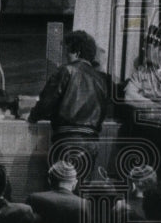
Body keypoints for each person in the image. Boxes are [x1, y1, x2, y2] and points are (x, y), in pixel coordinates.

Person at [28, 29, 109, 180]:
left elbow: (46, 103)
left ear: (76, 52)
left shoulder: (66, 71)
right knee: (81, 192)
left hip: (67, 140)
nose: (66, 55)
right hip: (92, 141)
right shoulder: (101, 79)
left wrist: (32, 116)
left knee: (61, 188)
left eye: (68, 51)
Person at [122, 24, 161, 182]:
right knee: (141, 181)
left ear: (160, 48)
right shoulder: (140, 72)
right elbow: (129, 97)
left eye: (147, 46)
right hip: (143, 134)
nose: (143, 50)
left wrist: (145, 93)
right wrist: (159, 102)